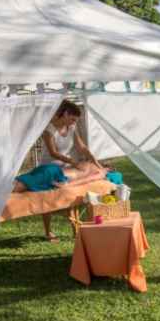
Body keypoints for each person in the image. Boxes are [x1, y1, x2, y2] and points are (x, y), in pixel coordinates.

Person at [39, 99, 107, 242]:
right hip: (49, 167)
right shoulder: (48, 130)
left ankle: (75, 229)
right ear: (65, 114)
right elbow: (53, 152)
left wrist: (96, 162)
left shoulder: (72, 128)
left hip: (67, 167)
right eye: (72, 119)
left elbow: (82, 147)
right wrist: (73, 162)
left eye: (75, 120)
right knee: (47, 199)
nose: (73, 122)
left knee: (72, 192)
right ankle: (48, 231)